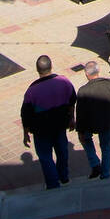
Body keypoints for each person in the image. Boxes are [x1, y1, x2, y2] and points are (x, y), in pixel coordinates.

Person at [20, 56, 76, 189]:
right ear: (51, 66)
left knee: (45, 157)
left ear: (37, 70)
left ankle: (53, 184)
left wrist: (26, 133)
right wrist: (72, 119)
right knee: (62, 151)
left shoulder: (32, 91)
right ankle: (64, 177)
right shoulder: (64, 81)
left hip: (41, 130)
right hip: (60, 126)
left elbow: (25, 114)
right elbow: (72, 101)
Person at [74, 61, 110, 180]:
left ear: (86, 74)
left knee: (86, 140)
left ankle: (95, 163)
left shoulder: (83, 91)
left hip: (89, 124)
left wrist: (80, 131)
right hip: (106, 122)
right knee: (106, 147)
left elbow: (80, 114)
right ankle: (105, 173)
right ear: (98, 71)